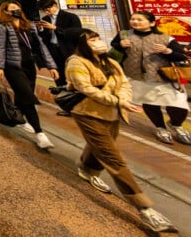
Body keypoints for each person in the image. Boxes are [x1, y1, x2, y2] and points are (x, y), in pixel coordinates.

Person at [66, 29, 177, 233]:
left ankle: (86, 169)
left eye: (98, 38)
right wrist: (118, 100)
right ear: (82, 43)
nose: (98, 42)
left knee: (100, 146)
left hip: (113, 113)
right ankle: (144, 207)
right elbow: (86, 89)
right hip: (88, 113)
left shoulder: (109, 61)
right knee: (114, 159)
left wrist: (123, 99)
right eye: (92, 40)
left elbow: (123, 82)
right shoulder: (76, 62)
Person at [111, 11, 191, 145]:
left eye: (140, 19)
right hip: (138, 77)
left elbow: (182, 56)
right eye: (133, 19)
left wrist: (167, 51)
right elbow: (114, 49)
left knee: (179, 104)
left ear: (152, 23)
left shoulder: (166, 38)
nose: (135, 22)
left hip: (165, 78)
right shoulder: (123, 35)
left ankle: (176, 124)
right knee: (150, 103)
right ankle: (160, 127)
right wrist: (120, 46)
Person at [0, 0, 59, 149]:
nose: (16, 10)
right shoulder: (1, 28)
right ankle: (40, 133)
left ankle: (18, 118)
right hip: (12, 67)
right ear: (6, 12)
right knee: (28, 96)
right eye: (13, 8)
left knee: (23, 95)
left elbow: (40, 46)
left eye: (18, 7)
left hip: (29, 65)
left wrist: (51, 66)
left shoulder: (28, 26)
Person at [36, 0, 82, 100]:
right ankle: (65, 103)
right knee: (59, 79)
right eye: (44, 10)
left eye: (48, 9)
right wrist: (41, 30)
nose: (46, 12)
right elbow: (43, 39)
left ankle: (76, 103)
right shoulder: (45, 19)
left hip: (68, 52)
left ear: (55, 5)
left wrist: (55, 28)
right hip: (53, 51)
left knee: (72, 78)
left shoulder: (70, 17)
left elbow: (77, 32)